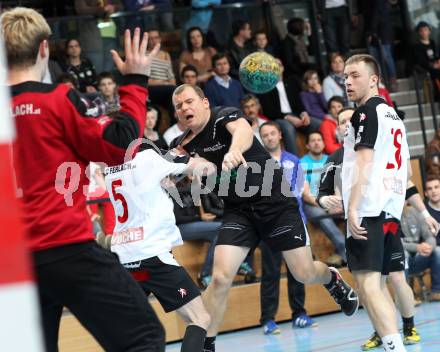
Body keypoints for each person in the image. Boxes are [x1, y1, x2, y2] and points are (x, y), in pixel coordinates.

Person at [3, 6, 165, 351]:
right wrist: (135, 81)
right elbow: (121, 146)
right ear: (45, 47)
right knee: (144, 338)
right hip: (65, 248)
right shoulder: (57, 100)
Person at [170, 84, 359, 352]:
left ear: (204, 102)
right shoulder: (181, 144)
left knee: (304, 272)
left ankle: (331, 278)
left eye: (189, 101)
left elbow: (243, 131)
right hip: (239, 211)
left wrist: (235, 150)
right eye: (178, 106)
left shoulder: (224, 116)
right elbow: (179, 167)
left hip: (275, 203)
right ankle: (207, 344)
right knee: (221, 278)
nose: (184, 108)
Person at [318, 106, 435, 349]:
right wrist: (325, 201)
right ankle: (384, 332)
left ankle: (408, 327)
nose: (346, 123)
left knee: (392, 278)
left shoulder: (375, 150)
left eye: (351, 118)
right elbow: (323, 193)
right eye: (341, 121)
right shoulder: (335, 159)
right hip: (358, 224)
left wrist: (424, 213)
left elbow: (407, 182)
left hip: (381, 221)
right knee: (370, 285)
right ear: (338, 129)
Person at [104, 145, 214, 352]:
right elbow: (204, 169)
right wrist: (196, 160)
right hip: (152, 255)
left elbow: (145, 186)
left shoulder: (110, 166)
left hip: (126, 257)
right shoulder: (149, 158)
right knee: (200, 318)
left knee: (133, 330)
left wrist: (169, 169)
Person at [342, 54, 411, 352]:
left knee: (369, 284)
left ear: (374, 79)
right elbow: (404, 167)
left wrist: (353, 207)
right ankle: (393, 341)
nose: (347, 81)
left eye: (355, 75)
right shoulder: (392, 114)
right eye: (345, 76)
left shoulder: (366, 113)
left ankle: (396, 346)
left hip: (370, 206)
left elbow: (365, 161)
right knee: (378, 283)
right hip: (391, 206)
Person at [259, 121, 317, 334]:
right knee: (270, 273)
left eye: (272, 133)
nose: (269, 138)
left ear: (280, 135)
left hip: (294, 223)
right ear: (261, 139)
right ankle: (267, 320)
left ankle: (299, 314)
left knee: (298, 272)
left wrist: (324, 201)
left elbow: (305, 192)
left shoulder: (294, 160)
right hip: (270, 226)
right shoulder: (256, 163)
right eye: (265, 135)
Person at [301, 132, 346, 266]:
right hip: (311, 203)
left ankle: (345, 252)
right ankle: (346, 251)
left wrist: (337, 202)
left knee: (352, 210)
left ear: (324, 143)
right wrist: (323, 204)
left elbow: (338, 183)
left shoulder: (331, 158)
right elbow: (306, 194)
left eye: (319, 140)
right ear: (307, 145)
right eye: (313, 140)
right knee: (321, 215)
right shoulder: (302, 163)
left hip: (331, 198)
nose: (316, 143)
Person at [257, 58, 319, 155]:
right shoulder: (265, 87)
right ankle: (293, 161)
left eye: (279, 65)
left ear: (283, 68)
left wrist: (304, 114)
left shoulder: (291, 82)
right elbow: (269, 111)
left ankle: (316, 156)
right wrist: (288, 117)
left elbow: (299, 103)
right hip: (278, 118)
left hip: (295, 115)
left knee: (316, 123)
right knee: (288, 128)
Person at [413, 21, 440, 96]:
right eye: (421, 30)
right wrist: (432, 65)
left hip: (436, 65)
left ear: (429, 31)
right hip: (426, 67)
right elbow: (420, 60)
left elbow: (437, 55)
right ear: (418, 32)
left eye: (425, 30)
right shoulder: (417, 45)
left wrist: (438, 62)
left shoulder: (432, 42)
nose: (424, 32)